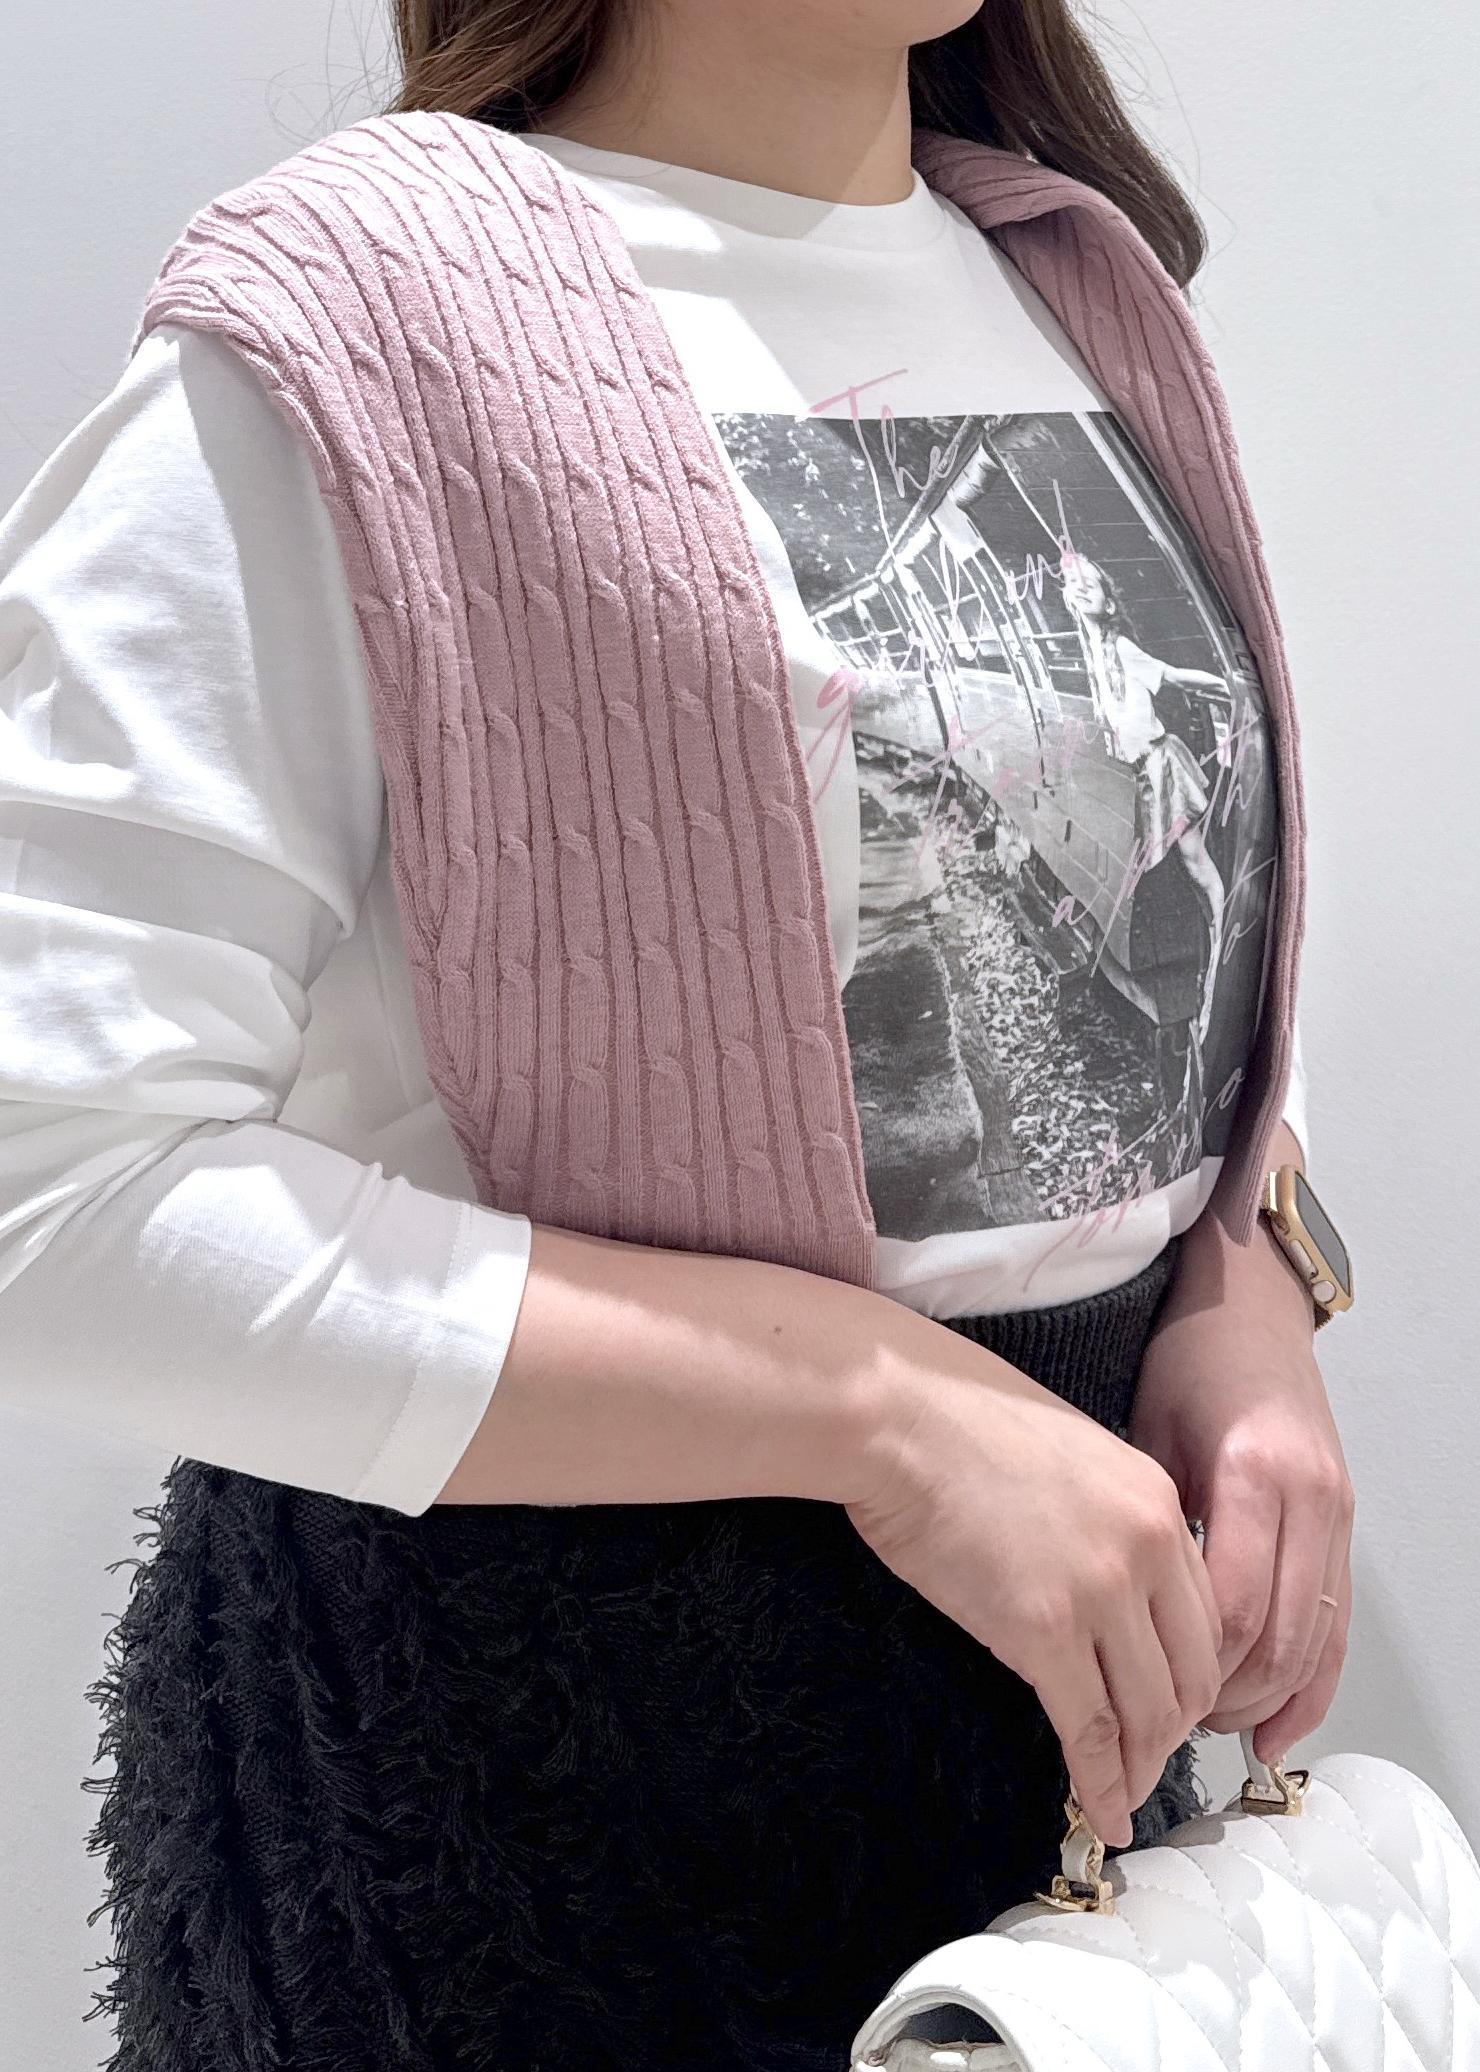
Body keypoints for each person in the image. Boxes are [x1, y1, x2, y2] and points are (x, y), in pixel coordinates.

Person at [0, 3, 1355, 2067]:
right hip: (514, 1820)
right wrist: (879, 1410)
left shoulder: (1073, 281)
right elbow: (49, 1187)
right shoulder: (350, 320)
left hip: (1047, 1792)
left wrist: (1246, 1294)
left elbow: (1152, 923)